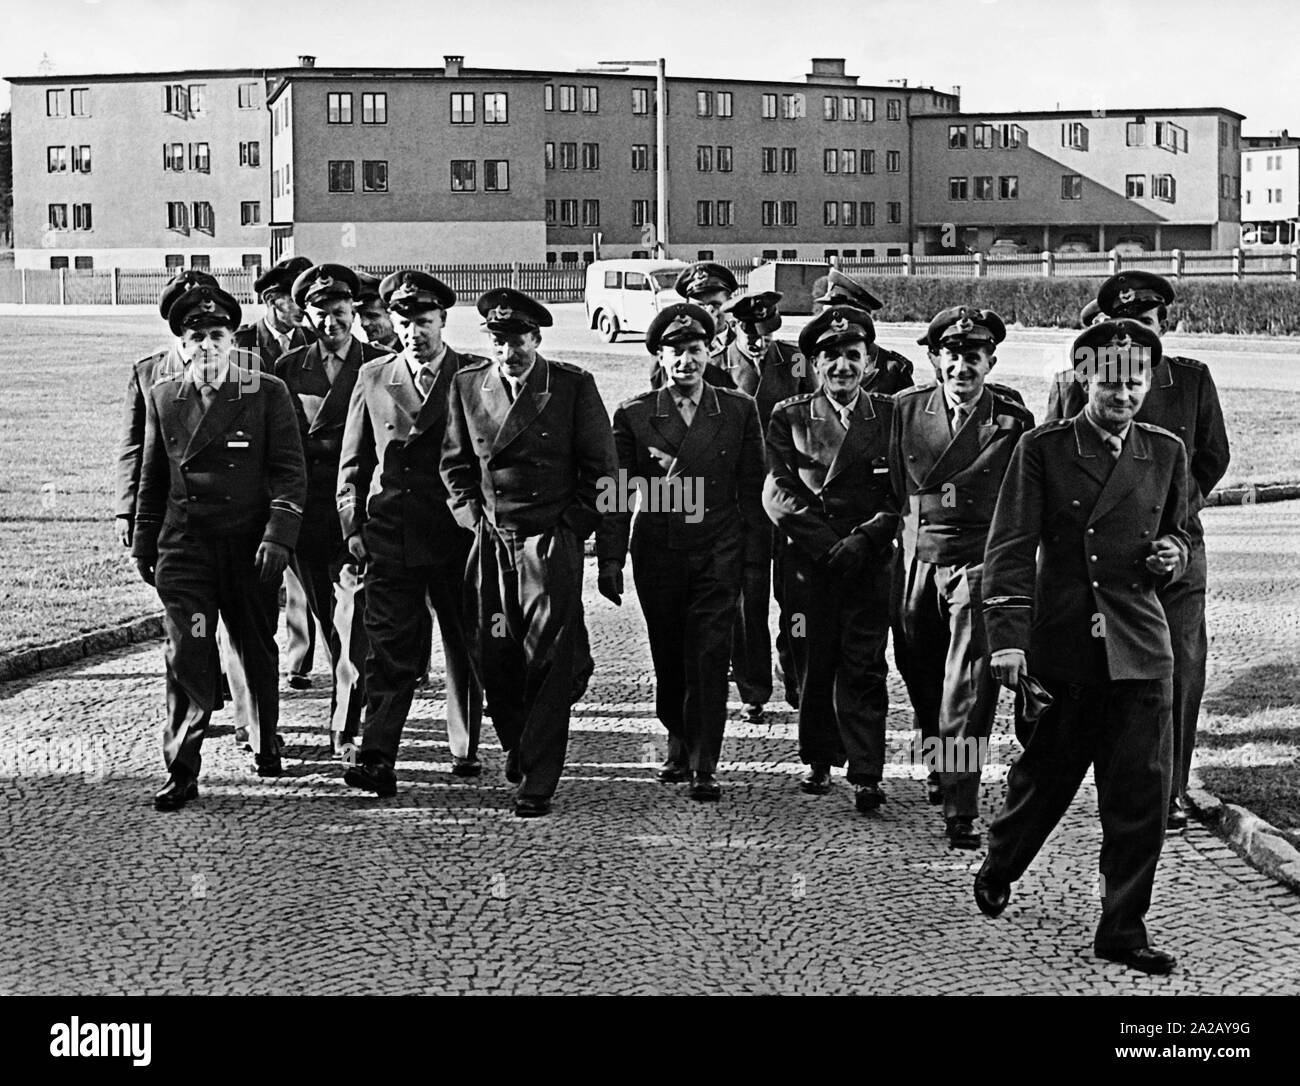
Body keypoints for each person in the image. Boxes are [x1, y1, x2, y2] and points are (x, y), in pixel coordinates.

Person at [976, 319, 1191, 976]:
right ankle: (1003, 859)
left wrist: (1170, 558)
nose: (1122, 395)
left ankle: (1122, 927)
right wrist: (1008, 641)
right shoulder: (1043, 449)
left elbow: (1183, 536)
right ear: (1084, 380)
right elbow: (1009, 547)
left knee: (1140, 797)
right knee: (1045, 780)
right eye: (1110, 381)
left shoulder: (1166, 452)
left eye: (1135, 382)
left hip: (1139, 648)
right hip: (1066, 644)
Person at [1043, 271, 1230, 832]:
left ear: (1161, 328)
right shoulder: (1079, 381)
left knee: (1177, 671)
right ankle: (1091, 780)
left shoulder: (1191, 381)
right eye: (1121, 326)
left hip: (1175, 553)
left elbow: (1212, 457)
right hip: (1097, 562)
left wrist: (1171, 516)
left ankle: (1167, 791)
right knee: (1091, 670)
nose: (1134, 338)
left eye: (1146, 324)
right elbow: (1048, 460)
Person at [441, 288, 617, 817]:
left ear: (537, 340)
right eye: (498, 341)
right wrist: (471, 518)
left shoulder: (569, 387)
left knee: (547, 656)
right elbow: (454, 465)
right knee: (493, 651)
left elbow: (604, 472)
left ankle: (540, 775)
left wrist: (570, 529)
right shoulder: (467, 385)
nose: (508, 352)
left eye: (518, 341)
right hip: (491, 539)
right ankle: (516, 742)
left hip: (547, 541)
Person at [131, 284, 307, 810]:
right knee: (187, 652)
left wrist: (278, 534)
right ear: (180, 344)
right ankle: (182, 767)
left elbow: (289, 473)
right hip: (187, 548)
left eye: (216, 335)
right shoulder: (163, 397)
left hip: (249, 545)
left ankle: (264, 737)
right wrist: (145, 544)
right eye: (194, 337)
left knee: (255, 646)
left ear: (233, 340)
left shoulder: (266, 391)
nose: (206, 346)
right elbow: (151, 478)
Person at [597, 303, 766, 800]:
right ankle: (676, 733)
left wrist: (754, 560)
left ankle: (703, 761)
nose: (686, 361)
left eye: (695, 350)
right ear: (659, 356)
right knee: (670, 654)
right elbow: (617, 490)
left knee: (710, 653)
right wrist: (611, 558)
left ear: (709, 351)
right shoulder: (634, 414)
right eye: (675, 352)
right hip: (661, 552)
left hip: (718, 549)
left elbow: (753, 486)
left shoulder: (736, 409)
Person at [337, 271, 487, 797]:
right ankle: (377, 755)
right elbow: (354, 461)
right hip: (393, 534)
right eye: (404, 323)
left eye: (423, 322)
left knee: (466, 644)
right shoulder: (375, 376)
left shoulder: (473, 375)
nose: (413, 333)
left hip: (457, 536)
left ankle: (465, 746)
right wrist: (352, 524)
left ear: (444, 320)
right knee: (390, 649)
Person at [890, 306, 1035, 848]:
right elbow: (890, 489)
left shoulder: (1012, 421)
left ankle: (960, 803)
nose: (961, 369)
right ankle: (939, 762)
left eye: (973, 358)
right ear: (934, 360)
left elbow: (1024, 503)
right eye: (951, 357)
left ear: (990, 362)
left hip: (977, 565)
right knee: (922, 676)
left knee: (968, 692)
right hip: (917, 563)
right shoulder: (905, 411)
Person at [763, 304, 899, 815]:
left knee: (864, 664)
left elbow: (903, 493)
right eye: (829, 357)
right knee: (813, 659)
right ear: (814, 365)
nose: (841, 366)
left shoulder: (889, 414)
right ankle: (817, 756)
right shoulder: (790, 415)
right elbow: (777, 492)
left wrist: (864, 541)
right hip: (809, 562)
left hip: (869, 560)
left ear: (869, 361)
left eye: (852, 356)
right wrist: (826, 544)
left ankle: (866, 772)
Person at [275, 263, 390, 756]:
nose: (332, 322)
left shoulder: (381, 363)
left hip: (358, 512)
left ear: (354, 311)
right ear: (308, 313)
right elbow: (281, 448)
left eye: (340, 311)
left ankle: (348, 723)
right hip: (308, 514)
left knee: (353, 618)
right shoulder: (286, 368)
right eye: (320, 313)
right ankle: (352, 708)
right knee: (325, 617)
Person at [716, 290, 816, 721]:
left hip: (791, 495)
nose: (760, 342)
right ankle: (753, 689)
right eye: (750, 333)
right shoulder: (719, 365)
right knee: (748, 598)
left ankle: (796, 675)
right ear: (734, 327)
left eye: (767, 332)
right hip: (743, 500)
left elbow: (814, 413)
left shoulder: (794, 359)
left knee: (795, 594)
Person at [235, 255, 319, 691]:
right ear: (272, 300)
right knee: (259, 579)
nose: (303, 305)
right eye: (294, 297)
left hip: (305, 471)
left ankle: (299, 659)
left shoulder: (312, 339)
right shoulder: (244, 344)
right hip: (258, 477)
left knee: (303, 568)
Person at [812, 269, 914, 394]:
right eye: (825, 315)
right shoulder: (814, 360)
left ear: (859, 319)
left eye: (836, 316)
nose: (828, 322)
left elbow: (906, 410)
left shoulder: (892, 368)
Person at [648, 261, 739, 390]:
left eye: (715, 305)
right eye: (699, 306)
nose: (708, 312)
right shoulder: (670, 348)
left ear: (729, 303)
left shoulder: (742, 345)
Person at [354, 271, 402, 353]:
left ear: (393, 315)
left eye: (372, 316)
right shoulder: (361, 354)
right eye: (360, 316)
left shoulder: (410, 351)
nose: (364, 323)